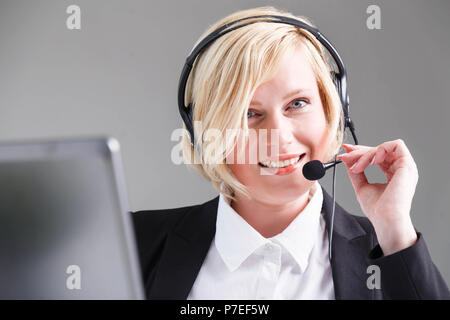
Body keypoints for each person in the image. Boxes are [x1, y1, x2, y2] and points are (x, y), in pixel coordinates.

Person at [131, 6, 449, 299]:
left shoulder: (390, 255)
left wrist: (393, 230)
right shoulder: (133, 244)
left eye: (297, 104)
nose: (279, 137)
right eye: (249, 114)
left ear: (331, 109)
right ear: (205, 132)